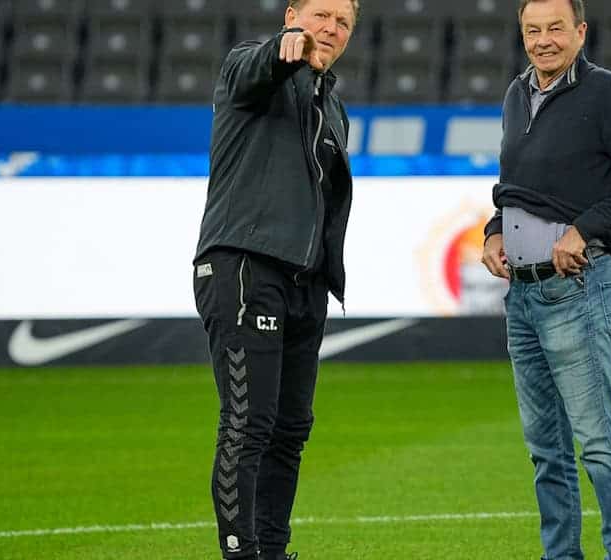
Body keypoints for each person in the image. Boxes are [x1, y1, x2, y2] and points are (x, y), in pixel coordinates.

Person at [481, 1, 611, 558]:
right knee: (546, 450)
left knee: (597, 445)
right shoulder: (517, 95)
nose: (543, 40)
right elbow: (513, 184)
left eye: (555, 28)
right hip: (522, 295)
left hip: (576, 290)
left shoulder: (606, 92)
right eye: (532, 30)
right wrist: (494, 232)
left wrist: (584, 230)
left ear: (580, 32)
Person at [191, 1, 358, 558]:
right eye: (321, 14)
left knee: (291, 428)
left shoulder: (332, 103)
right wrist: (284, 50)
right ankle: (240, 551)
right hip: (244, 266)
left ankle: (272, 549)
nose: (330, 28)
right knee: (249, 420)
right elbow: (254, 68)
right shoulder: (250, 63)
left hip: (304, 283)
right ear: (292, 14)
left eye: (343, 22)